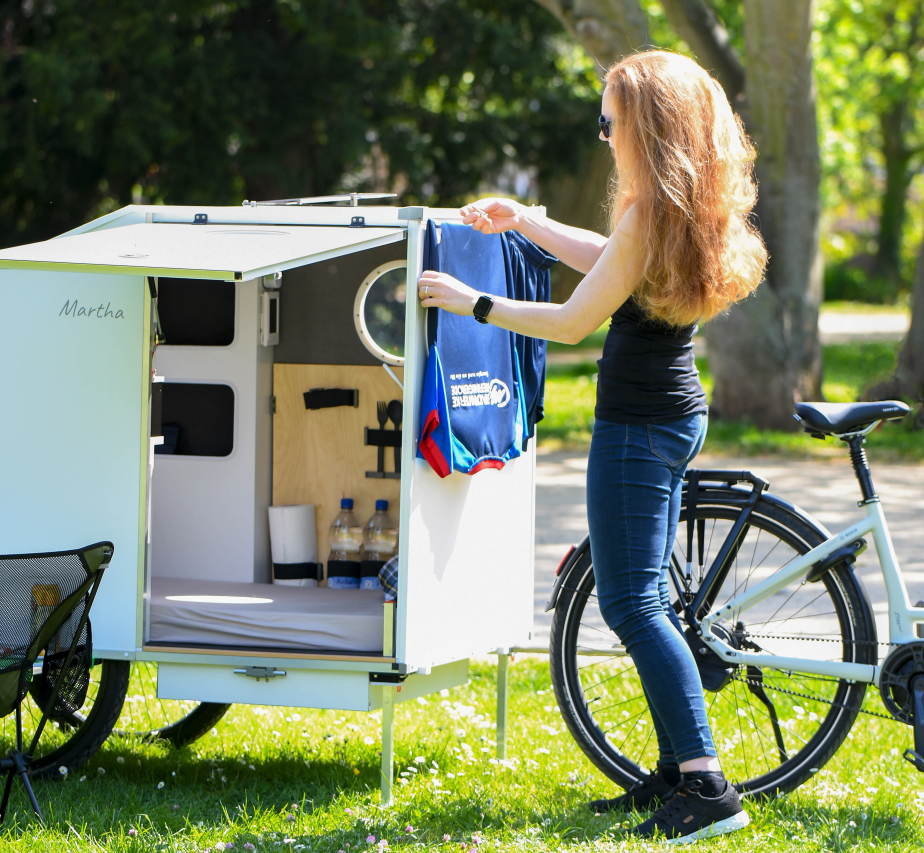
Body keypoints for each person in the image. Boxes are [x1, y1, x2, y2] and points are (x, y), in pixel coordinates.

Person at [417, 50, 767, 842]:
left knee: (633, 604)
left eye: (608, 118)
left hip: (637, 429)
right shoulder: (673, 207)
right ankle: (678, 771)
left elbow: (575, 319)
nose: (602, 132)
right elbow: (611, 265)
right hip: (673, 415)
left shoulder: (649, 214)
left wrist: (471, 302)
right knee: (648, 602)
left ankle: (708, 786)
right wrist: (530, 224)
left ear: (644, 125)